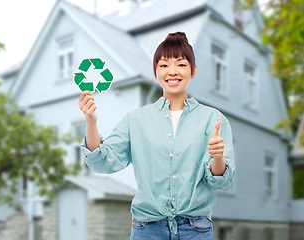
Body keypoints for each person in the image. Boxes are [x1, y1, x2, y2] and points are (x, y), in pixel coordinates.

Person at [79, 31, 235, 240]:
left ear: (193, 70)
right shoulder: (135, 120)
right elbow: (101, 162)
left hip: (195, 230)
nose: (172, 71)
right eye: (164, 65)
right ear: (155, 72)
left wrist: (218, 157)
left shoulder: (214, 120)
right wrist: (91, 121)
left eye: (180, 64)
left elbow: (219, 182)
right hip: (148, 230)